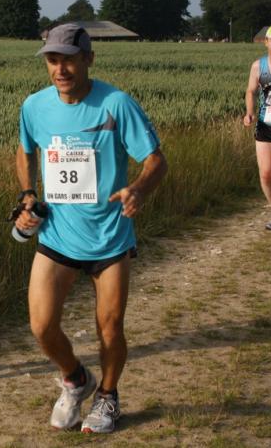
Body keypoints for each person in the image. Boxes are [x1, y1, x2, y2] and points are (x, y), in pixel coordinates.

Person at [15, 23, 167, 433]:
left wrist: (138, 189)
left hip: (109, 237)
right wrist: (28, 194)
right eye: (52, 60)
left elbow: (156, 161)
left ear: (89, 60)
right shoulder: (34, 106)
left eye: (69, 60)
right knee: (41, 326)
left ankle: (108, 396)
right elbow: (25, 150)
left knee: (110, 327)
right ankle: (75, 378)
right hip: (57, 235)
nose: (60, 69)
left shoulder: (116, 104)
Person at [243, 23, 271, 229]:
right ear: (266, 42)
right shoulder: (257, 66)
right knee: (266, 174)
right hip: (265, 126)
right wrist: (249, 112)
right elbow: (251, 91)